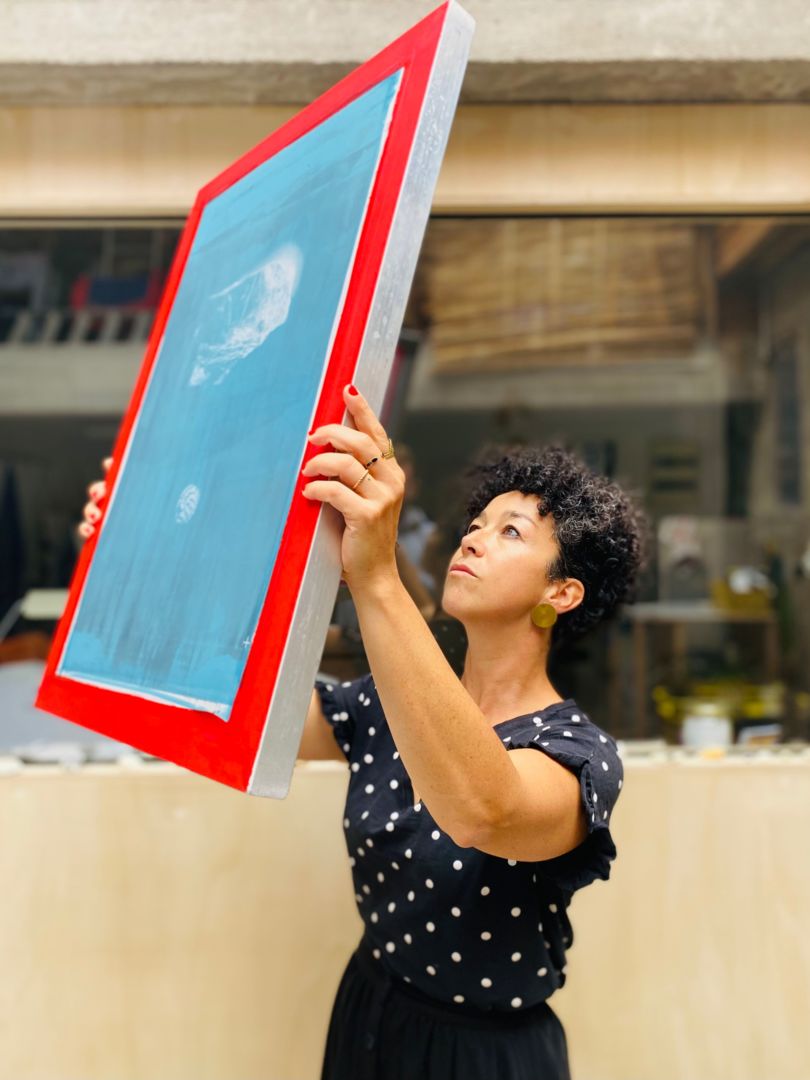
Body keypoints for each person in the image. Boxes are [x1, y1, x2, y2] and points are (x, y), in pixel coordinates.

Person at [80, 383, 647, 1080]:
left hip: (483, 1056)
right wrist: (132, 560)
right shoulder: (385, 704)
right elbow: (231, 702)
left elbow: (484, 809)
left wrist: (376, 576)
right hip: (369, 1016)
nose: (473, 536)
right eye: (477, 522)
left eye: (511, 532)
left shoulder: (579, 755)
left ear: (561, 593)